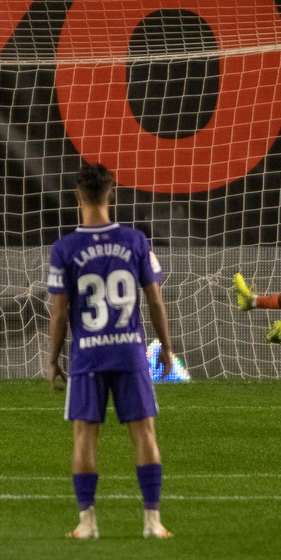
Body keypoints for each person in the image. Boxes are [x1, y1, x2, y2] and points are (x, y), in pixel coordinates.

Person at [46, 163, 174, 539]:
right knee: (145, 432)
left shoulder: (64, 248)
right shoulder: (136, 241)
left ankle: (87, 524)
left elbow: (59, 312)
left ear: (78, 196)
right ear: (112, 193)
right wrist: (166, 347)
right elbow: (154, 298)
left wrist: (53, 359)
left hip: (87, 355)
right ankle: (153, 522)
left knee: (85, 436)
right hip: (129, 352)